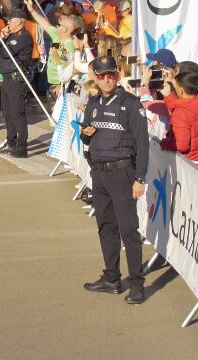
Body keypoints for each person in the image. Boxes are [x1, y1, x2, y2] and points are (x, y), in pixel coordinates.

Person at [80, 55, 150, 305]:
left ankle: (137, 283)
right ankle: (111, 278)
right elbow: (86, 136)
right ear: (95, 78)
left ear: (118, 75)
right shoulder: (93, 101)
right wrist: (85, 135)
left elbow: (143, 143)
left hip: (123, 174)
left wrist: (140, 178)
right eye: (102, 75)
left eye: (111, 74)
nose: (107, 79)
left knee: (129, 230)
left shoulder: (131, 104)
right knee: (106, 227)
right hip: (99, 174)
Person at [0, 8, 34, 157]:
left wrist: (3, 39)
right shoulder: (11, 35)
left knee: (17, 112)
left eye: (11, 20)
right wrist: (2, 36)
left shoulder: (23, 37)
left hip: (16, 79)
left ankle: (21, 146)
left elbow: (4, 52)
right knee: (8, 113)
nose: (8, 22)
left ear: (19, 21)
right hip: (7, 77)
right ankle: (11, 141)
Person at [162, 69, 198, 163]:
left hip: (189, 163)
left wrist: (164, 143)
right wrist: (168, 95)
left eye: (176, 87)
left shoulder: (181, 113)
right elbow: (183, 105)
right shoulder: (190, 105)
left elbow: (181, 145)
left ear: (181, 91)